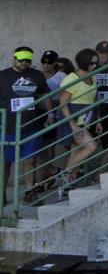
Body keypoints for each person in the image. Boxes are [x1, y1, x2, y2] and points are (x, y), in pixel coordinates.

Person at [0, 47, 53, 200]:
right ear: (14, 58)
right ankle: (1, 192)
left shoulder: (37, 75)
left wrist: (51, 114)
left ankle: (29, 191)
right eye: (21, 60)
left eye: (27, 61)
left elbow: (45, 95)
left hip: (31, 125)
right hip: (8, 126)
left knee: (30, 159)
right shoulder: (3, 76)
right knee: (5, 162)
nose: (24, 63)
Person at [56, 48, 100, 189]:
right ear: (83, 63)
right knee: (91, 146)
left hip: (86, 119)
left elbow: (94, 99)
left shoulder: (92, 76)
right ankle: (66, 174)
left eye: (95, 63)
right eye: (92, 63)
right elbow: (63, 103)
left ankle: (66, 183)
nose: (94, 66)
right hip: (72, 121)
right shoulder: (71, 79)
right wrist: (73, 125)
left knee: (75, 151)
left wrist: (98, 119)